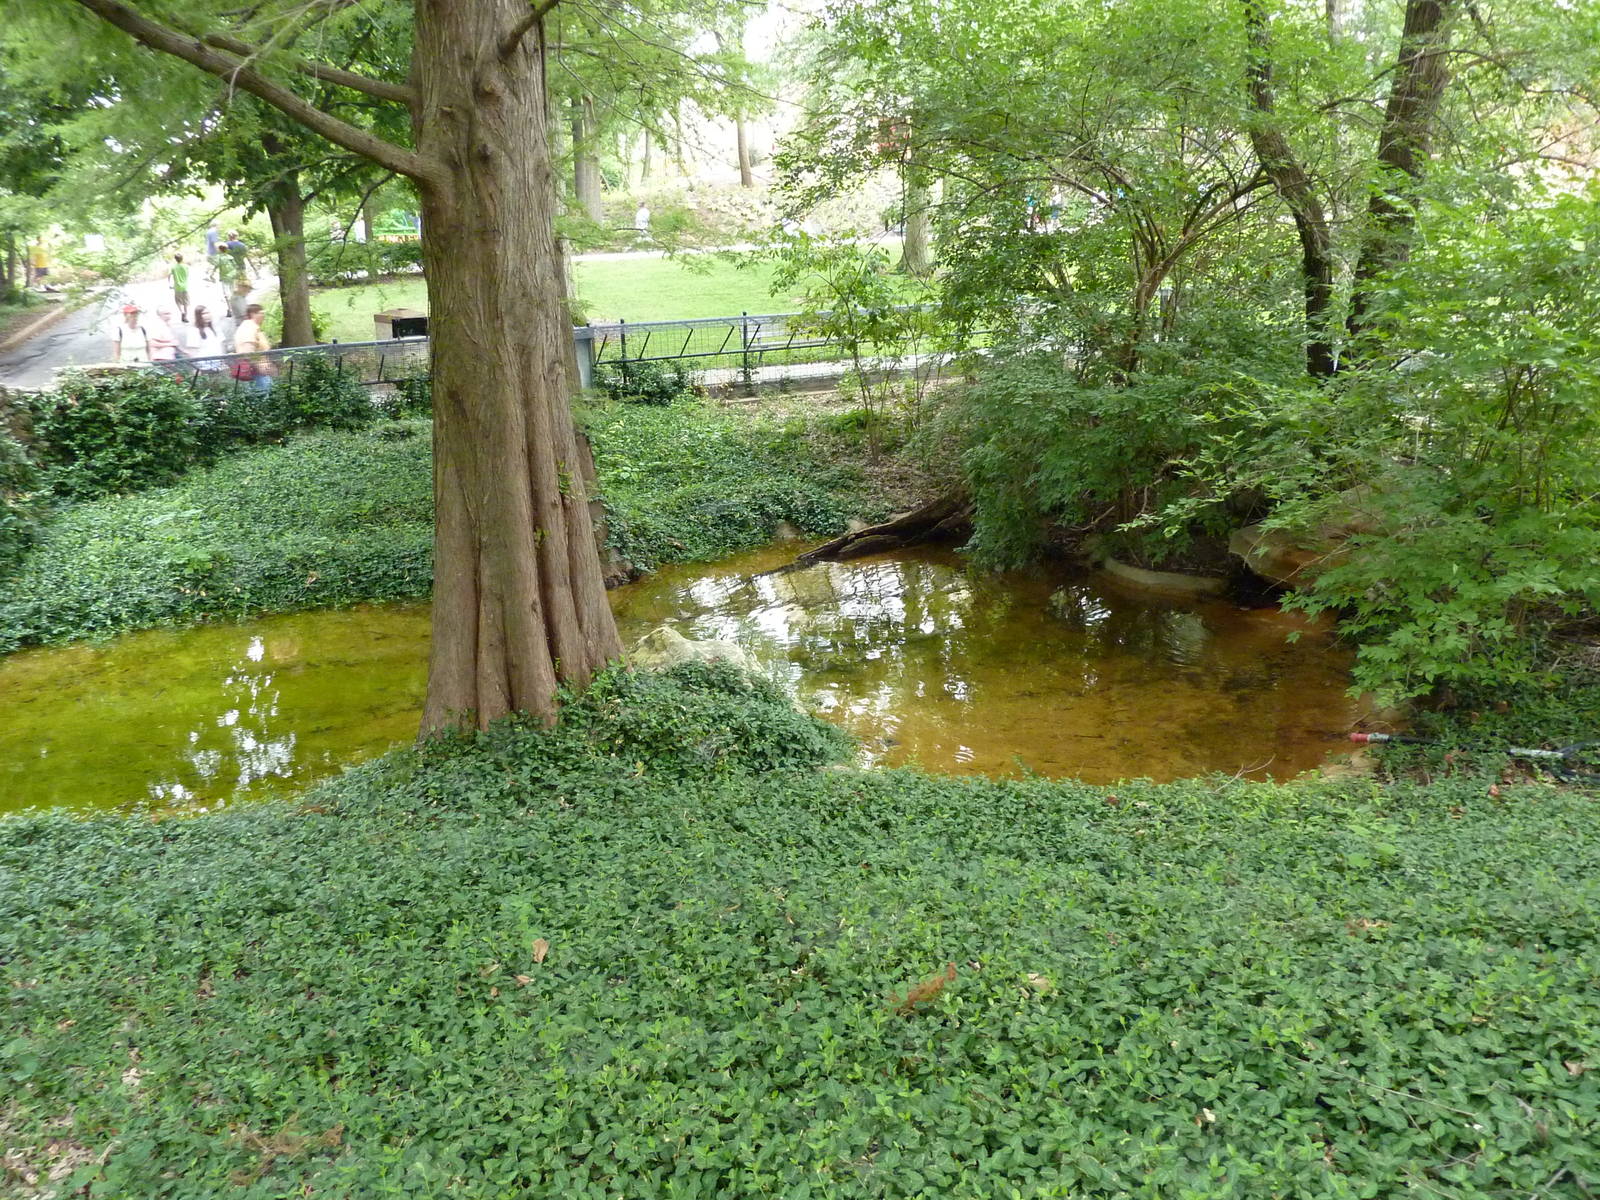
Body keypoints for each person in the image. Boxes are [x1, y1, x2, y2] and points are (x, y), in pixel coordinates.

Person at [232, 303, 275, 392]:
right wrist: (259, 367)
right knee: (263, 396)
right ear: (253, 314)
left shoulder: (253, 328)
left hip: (259, 371)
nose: (263, 316)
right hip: (256, 372)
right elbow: (248, 352)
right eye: (261, 313)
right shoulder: (248, 328)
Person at [186, 305, 224, 372]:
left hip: (218, 366)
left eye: (208, 313)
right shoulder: (194, 331)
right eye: (204, 313)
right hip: (204, 367)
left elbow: (221, 345)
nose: (207, 315)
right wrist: (196, 368)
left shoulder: (215, 328)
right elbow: (192, 352)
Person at [169, 253, 190, 322]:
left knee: (178, 301)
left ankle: (182, 312)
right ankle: (186, 316)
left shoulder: (173, 267)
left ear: (175, 259)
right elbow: (187, 275)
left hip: (177, 287)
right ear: (182, 258)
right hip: (185, 287)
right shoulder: (186, 266)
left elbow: (169, 275)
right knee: (186, 303)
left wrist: (170, 284)